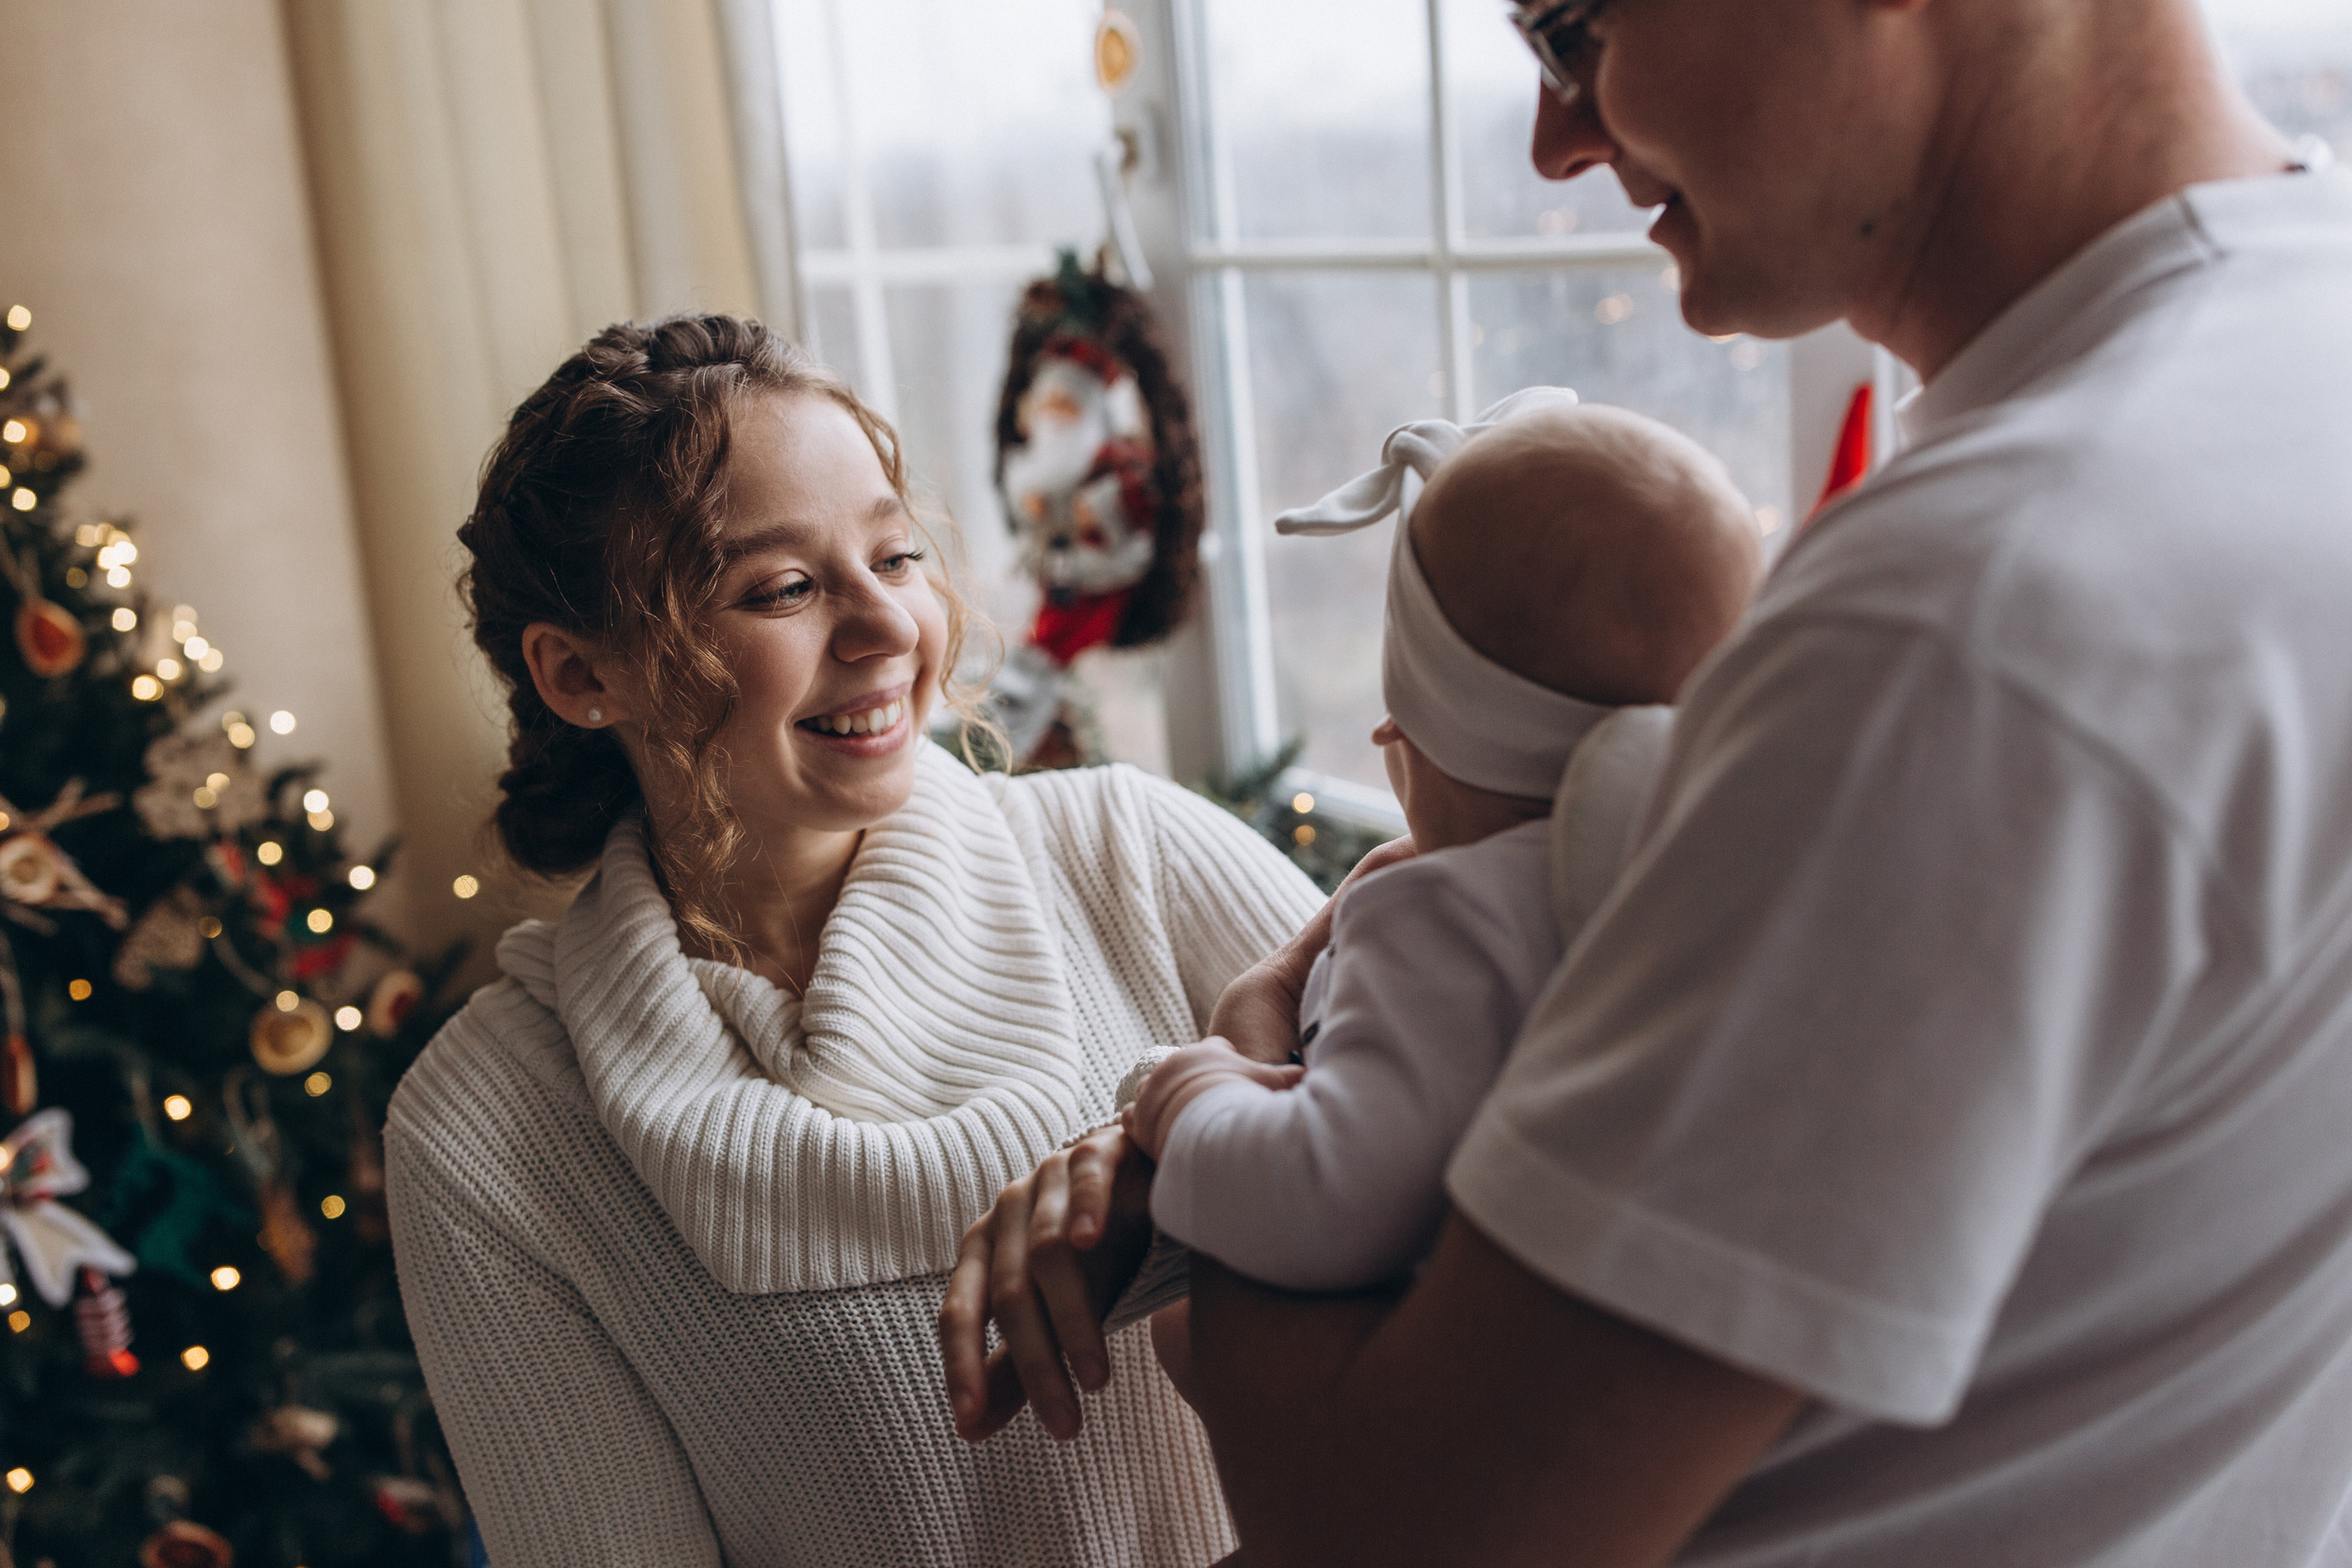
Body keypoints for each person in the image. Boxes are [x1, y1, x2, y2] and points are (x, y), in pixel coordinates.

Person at [939, 1, 2352, 1563]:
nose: (1558, 137)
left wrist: (1245, 1084)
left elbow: (1390, 1534)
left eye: (1571, 23)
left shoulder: (1961, 625)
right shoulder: (2302, 359)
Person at [382, 314, 1329, 1567]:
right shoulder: (487, 1131)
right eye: (784, 587)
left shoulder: (1136, 857)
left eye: (893, 551)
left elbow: (1495, 1188)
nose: (889, 625)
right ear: (578, 673)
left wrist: (1189, 1137)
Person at [1123, 395, 1759, 1324]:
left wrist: (1191, 1091)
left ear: (1404, 730)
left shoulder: (1450, 918)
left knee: (1177, 1327)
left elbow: (1325, 1199)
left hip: (1426, 1372)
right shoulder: (1716, 874)